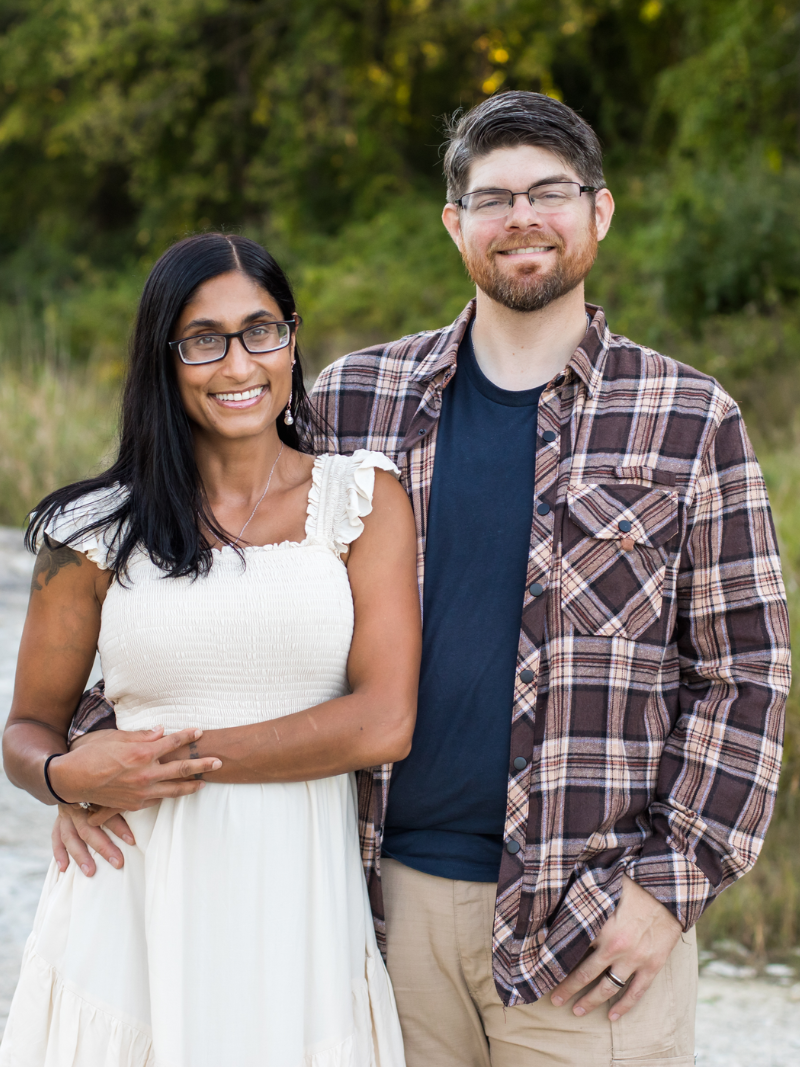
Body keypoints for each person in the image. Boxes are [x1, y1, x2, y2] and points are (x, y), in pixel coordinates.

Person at [50, 92, 789, 1066]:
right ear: (454, 225)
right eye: (492, 198)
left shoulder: (688, 419)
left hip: (589, 930)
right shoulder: (357, 400)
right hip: (372, 913)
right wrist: (97, 755)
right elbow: (219, 575)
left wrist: (669, 888)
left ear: (598, 212)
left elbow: (744, 674)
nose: (521, 216)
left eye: (549, 192)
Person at [0, 233, 421, 1066]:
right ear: (165, 358)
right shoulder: (89, 532)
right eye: (204, 339)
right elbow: (25, 733)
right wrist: (63, 775)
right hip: (127, 904)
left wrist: (149, 769)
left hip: (296, 904)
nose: (238, 364)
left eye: (261, 330)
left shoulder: (361, 500)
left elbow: (383, 723)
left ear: (292, 338)